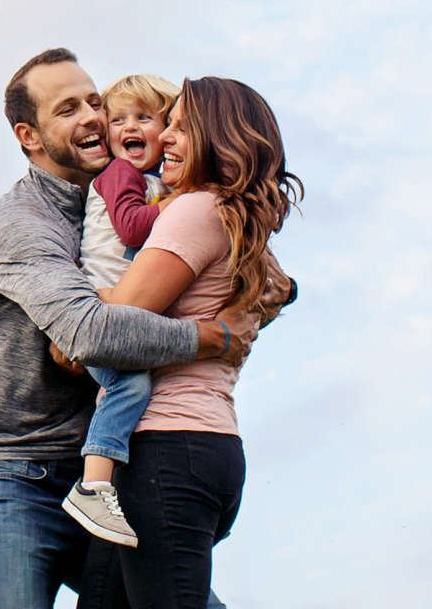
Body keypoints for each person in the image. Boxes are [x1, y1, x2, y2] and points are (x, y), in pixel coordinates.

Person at [0, 50, 254, 609]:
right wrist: (208, 338)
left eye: (94, 101)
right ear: (30, 136)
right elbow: (88, 335)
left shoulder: (128, 194)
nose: (92, 116)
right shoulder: (20, 226)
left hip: (102, 470)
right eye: (68, 109)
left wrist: (266, 289)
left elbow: (216, 263)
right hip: (12, 473)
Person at [77, 77, 302, 609]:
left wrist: (79, 295)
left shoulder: (195, 209)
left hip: (166, 451)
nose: (165, 138)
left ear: (215, 138)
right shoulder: (238, 219)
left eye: (180, 128)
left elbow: (115, 328)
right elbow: (276, 296)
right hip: (200, 449)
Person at [61, 73, 180, 547]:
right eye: (118, 120)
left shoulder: (153, 181)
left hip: (120, 305)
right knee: (129, 385)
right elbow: (131, 227)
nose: (130, 127)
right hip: (99, 305)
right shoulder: (119, 174)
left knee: (128, 385)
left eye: (145, 118)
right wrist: (176, 205)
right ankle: (93, 485)